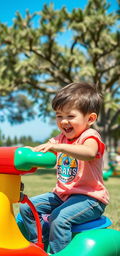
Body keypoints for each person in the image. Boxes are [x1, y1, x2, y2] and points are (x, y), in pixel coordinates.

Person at [19, 82, 109, 254]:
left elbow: (89, 153)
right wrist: (28, 153)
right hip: (62, 196)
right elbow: (43, 151)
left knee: (59, 219)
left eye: (70, 116)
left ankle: (58, 252)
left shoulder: (90, 136)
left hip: (90, 199)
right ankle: (39, 245)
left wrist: (59, 147)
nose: (63, 121)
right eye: (59, 116)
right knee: (26, 207)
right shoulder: (60, 138)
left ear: (90, 119)